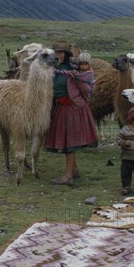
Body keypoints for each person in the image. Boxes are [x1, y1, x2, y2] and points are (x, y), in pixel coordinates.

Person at [45, 41, 98, 186]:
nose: (58, 55)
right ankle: (73, 170)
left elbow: (87, 90)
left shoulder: (72, 71)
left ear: (66, 54)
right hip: (62, 108)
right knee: (68, 140)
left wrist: (77, 99)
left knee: (69, 143)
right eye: (55, 52)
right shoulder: (53, 70)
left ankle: (68, 176)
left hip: (72, 108)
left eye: (61, 52)